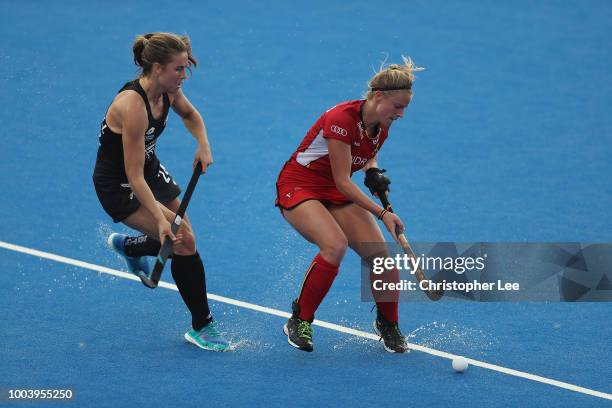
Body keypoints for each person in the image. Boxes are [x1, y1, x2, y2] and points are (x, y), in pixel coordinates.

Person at [92, 32, 229, 352]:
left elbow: (191, 116)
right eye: (178, 69)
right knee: (183, 240)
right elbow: (133, 176)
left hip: (147, 168)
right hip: (120, 183)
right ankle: (202, 326)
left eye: (185, 69)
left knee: (181, 234)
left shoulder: (168, 92)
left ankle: (132, 247)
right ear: (156, 68)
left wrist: (203, 144)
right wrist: (159, 217)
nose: (183, 76)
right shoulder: (132, 106)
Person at [276, 56, 422, 353]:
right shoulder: (341, 119)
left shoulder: (382, 124)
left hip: (334, 187)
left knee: (380, 256)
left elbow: (366, 153)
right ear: (378, 97)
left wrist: (372, 170)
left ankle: (388, 324)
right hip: (301, 185)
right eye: (398, 106)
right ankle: (299, 320)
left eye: (405, 107)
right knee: (334, 245)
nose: (402, 114)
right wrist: (383, 213)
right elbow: (343, 181)